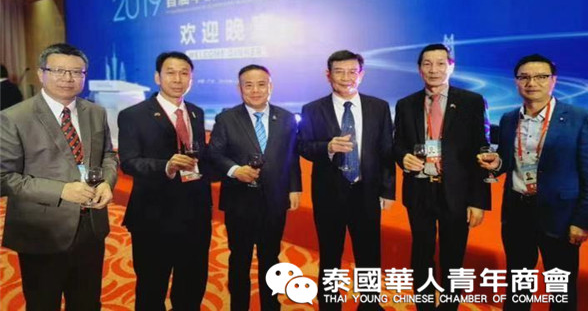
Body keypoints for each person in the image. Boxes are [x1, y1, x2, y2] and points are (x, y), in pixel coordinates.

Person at [0, 43, 117, 310]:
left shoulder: (95, 112)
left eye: (76, 72)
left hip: (90, 227)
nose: (68, 78)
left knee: (87, 303)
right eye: (59, 71)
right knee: (43, 303)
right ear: (41, 74)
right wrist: (61, 191)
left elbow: (108, 156)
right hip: (43, 231)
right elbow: (3, 178)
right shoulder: (14, 118)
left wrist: (107, 183)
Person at [478, 54, 588, 311]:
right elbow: (508, 162)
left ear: (553, 81)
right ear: (516, 82)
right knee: (518, 282)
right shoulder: (510, 118)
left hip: (560, 216)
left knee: (561, 288)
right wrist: (497, 164)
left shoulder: (581, 118)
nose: (532, 83)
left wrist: (583, 221)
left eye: (541, 77)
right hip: (517, 212)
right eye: (524, 77)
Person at [393, 43, 490, 311]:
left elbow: (482, 150)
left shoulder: (471, 102)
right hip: (419, 189)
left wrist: (479, 200)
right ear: (419, 69)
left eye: (440, 63)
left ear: (451, 67)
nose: (433, 70)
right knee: (421, 253)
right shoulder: (406, 104)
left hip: (456, 193)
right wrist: (403, 157)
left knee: (453, 256)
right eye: (427, 64)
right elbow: (397, 143)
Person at [298, 50, 395, 311]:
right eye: (339, 72)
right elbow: (303, 146)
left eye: (352, 71)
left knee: (369, 253)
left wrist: (388, 190)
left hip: (366, 191)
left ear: (361, 75)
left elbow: (386, 151)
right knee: (330, 254)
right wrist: (327, 147)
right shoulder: (312, 109)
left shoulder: (379, 107)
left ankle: (370, 304)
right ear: (328, 75)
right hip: (329, 193)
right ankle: (330, 304)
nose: (346, 77)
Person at [117, 52, 212, 310]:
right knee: (152, 287)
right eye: (170, 72)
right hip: (153, 216)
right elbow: (129, 162)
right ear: (157, 77)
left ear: (191, 78)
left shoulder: (196, 113)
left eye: (184, 73)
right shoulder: (133, 115)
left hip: (195, 214)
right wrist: (166, 166)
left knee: (191, 285)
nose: (178, 79)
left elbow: (199, 156)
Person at [208, 64, 301, 311]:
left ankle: (271, 304)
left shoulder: (286, 118)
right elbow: (214, 154)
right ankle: (239, 305)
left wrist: (294, 188)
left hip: (274, 200)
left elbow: (292, 156)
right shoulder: (226, 118)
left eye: (261, 84)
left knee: (271, 257)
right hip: (239, 201)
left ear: (271, 86)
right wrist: (234, 170)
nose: (255, 90)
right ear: (239, 88)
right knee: (240, 258)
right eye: (248, 85)